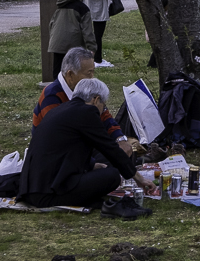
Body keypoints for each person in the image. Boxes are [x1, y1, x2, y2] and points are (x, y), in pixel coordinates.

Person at [18, 78, 156, 213]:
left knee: (104, 163)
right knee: (112, 176)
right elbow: (110, 148)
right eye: (103, 105)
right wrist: (139, 178)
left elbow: (65, 150)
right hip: (48, 193)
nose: (102, 110)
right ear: (96, 99)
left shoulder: (61, 109)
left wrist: (91, 165)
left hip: (33, 186)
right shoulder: (87, 112)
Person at [33, 47, 132, 156]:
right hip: (56, 154)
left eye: (93, 71)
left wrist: (120, 139)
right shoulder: (51, 96)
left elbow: (105, 116)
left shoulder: (86, 89)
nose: (92, 77)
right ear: (70, 75)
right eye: (88, 73)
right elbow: (59, 136)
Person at [47, 0, 96, 76]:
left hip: (56, 43)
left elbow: (51, 24)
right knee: (73, 71)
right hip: (73, 45)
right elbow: (87, 31)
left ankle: (57, 84)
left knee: (58, 71)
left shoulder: (60, 6)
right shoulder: (83, 8)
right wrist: (92, 48)